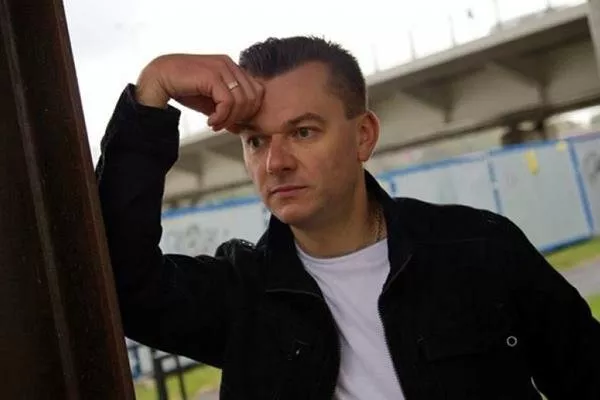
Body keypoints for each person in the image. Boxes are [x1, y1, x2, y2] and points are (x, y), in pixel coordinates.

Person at [96, 36, 600, 399]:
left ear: (363, 136)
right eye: (256, 141)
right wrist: (154, 88)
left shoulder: (478, 248)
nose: (275, 163)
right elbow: (116, 282)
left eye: (303, 132)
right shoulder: (243, 295)